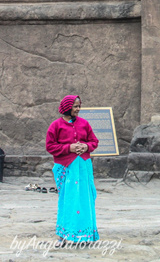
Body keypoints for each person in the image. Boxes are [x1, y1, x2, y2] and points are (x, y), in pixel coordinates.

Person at [45, 95, 99, 245]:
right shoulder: (56, 126)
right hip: (66, 168)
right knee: (68, 200)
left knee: (85, 199)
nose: (78, 109)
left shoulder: (84, 124)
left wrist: (86, 146)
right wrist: (69, 148)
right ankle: (63, 235)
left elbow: (94, 141)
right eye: (75, 106)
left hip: (83, 167)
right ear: (67, 107)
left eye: (79, 106)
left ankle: (85, 235)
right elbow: (50, 147)